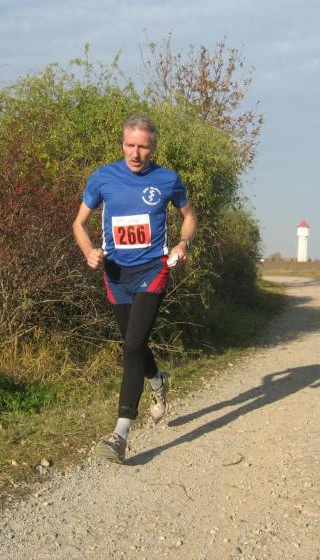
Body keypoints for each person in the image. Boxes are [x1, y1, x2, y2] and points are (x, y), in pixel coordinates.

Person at [72, 114, 197, 464]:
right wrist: (89, 251)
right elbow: (79, 223)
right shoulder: (103, 177)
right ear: (122, 144)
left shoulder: (167, 179)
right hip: (115, 274)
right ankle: (157, 379)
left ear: (153, 147)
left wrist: (183, 243)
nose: (136, 153)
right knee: (134, 344)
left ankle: (120, 433)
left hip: (152, 270)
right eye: (130, 145)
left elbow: (189, 216)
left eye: (143, 147)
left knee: (131, 347)